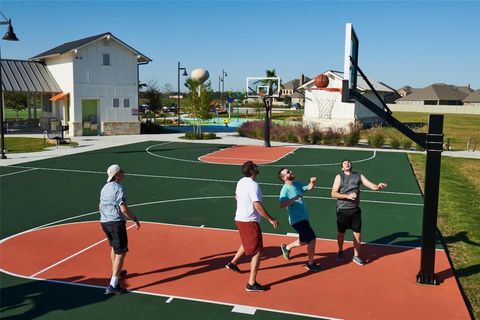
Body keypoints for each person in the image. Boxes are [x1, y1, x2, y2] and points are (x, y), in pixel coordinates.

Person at [225, 160, 279, 292]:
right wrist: (271, 219)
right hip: (250, 221)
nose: (257, 167)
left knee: (247, 242)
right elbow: (257, 205)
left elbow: (236, 197)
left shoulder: (241, 182)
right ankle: (251, 283)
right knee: (257, 251)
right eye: (255, 166)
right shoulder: (253, 185)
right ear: (251, 171)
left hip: (240, 218)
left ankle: (233, 263)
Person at [331, 159, 387, 265]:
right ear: (342, 168)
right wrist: (347, 196)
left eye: (348, 162)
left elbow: (371, 185)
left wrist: (378, 187)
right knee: (341, 233)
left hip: (355, 210)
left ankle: (356, 256)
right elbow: (333, 193)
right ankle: (340, 251)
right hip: (342, 210)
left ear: (351, 165)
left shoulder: (358, 176)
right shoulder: (339, 177)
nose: (347, 164)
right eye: (344, 163)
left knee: (357, 234)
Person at [99, 164, 141, 294]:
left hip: (104, 222)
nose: (123, 172)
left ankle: (116, 272)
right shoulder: (119, 188)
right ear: (116, 175)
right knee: (121, 252)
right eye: (121, 171)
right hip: (116, 223)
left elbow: (99, 205)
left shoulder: (104, 188)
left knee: (114, 247)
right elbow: (123, 208)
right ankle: (113, 284)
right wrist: (134, 219)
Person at [278, 168, 322, 271]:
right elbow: (282, 204)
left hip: (304, 218)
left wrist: (312, 182)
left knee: (304, 240)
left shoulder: (296, 184)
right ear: (284, 178)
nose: (290, 172)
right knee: (312, 239)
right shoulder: (285, 189)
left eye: (289, 170)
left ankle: (287, 248)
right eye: (288, 172)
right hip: (297, 220)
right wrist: (293, 199)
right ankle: (310, 263)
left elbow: (308, 188)